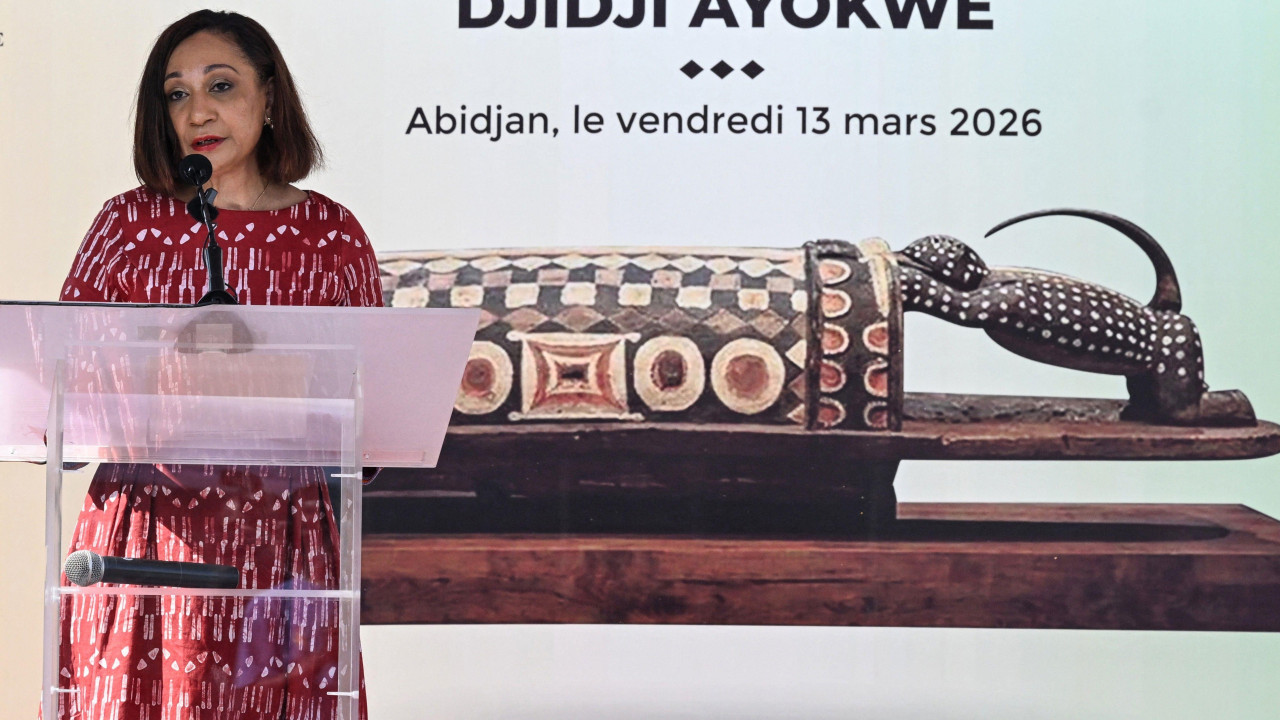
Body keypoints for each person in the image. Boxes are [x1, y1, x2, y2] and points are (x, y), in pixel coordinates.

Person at [56, 10, 380, 719]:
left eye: (221, 86)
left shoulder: (331, 235)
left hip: (283, 546)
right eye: (176, 94)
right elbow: (66, 382)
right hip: (143, 541)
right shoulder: (126, 226)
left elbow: (368, 416)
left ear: (269, 97)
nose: (197, 110)